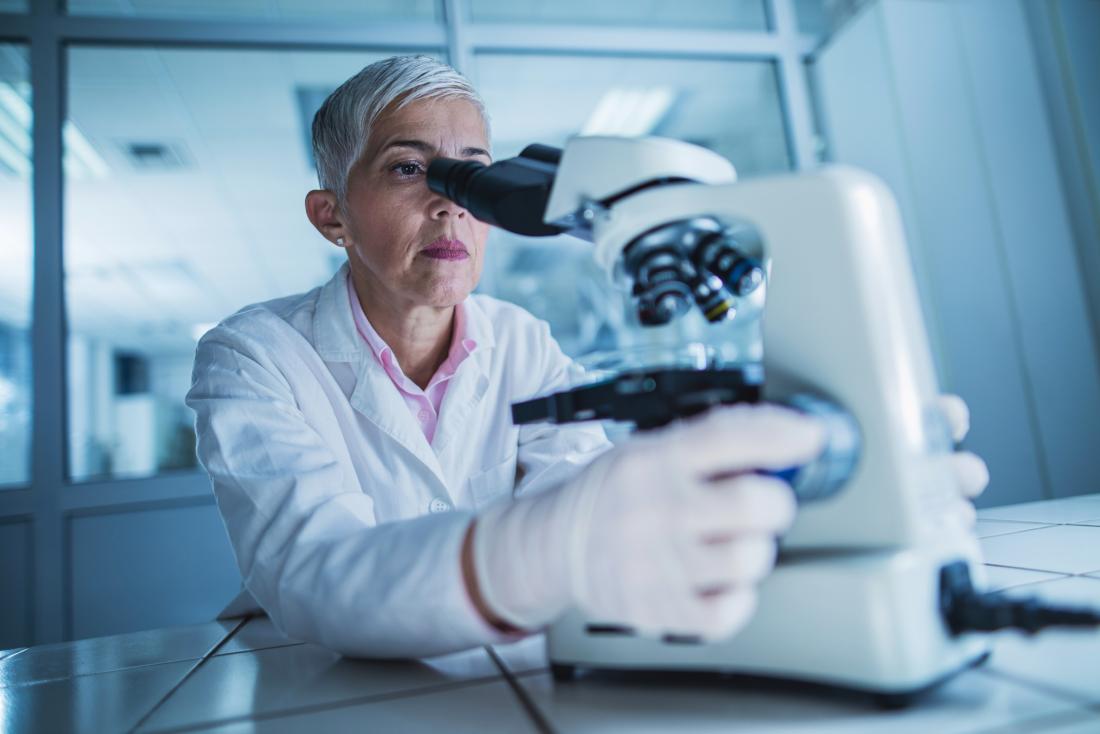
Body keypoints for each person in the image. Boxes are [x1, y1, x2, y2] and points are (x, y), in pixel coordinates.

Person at [186, 55, 988, 658]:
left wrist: (772, 483)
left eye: (472, 174)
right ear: (332, 217)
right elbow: (315, 573)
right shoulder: (252, 357)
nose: (449, 200)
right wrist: (538, 553)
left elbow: (581, 489)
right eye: (408, 168)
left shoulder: (520, 339)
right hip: (320, 679)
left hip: (509, 661)